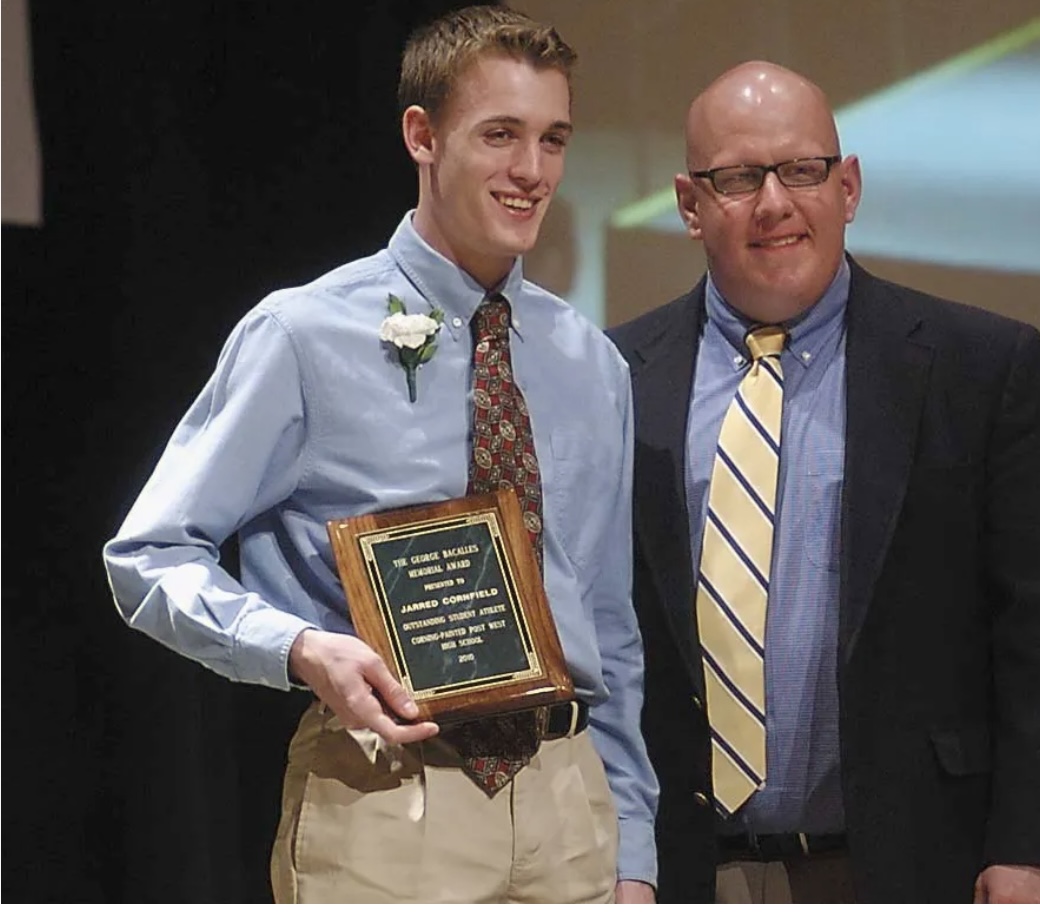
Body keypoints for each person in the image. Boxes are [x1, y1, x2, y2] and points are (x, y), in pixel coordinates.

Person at [103, 5, 656, 903]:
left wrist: (631, 851)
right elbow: (149, 556)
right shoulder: (302, 335)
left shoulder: (590, 362)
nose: (531, 171)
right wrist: (300, 648)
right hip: (387, 792)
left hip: (569, 805)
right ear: (421, 136)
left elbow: (607, 623)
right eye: (500, 134)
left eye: (553, 139)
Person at [607, 60, 1040, 903]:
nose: (774, 202)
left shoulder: (979, 366)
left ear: (848, 187)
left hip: (912, 868)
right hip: (672, 876)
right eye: (736, 178)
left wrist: (1037, 848)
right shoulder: (612, 376)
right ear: (689, 206)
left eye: (801, 170)